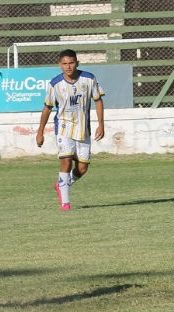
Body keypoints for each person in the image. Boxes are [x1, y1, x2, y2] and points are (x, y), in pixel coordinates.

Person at [36, 49, 105, 211]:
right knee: (66, 160)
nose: (68, 67)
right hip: (64, 127)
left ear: (77, 63)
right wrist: (40, 131)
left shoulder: (89, 79)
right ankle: (65, 203)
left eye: (71, 63)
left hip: (83, 129)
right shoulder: (55, 84)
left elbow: (98, 100)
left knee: (82, 168)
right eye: (65, 64)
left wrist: (101, 124)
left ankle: (62, 184)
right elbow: (47, 108)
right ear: (59, 65)